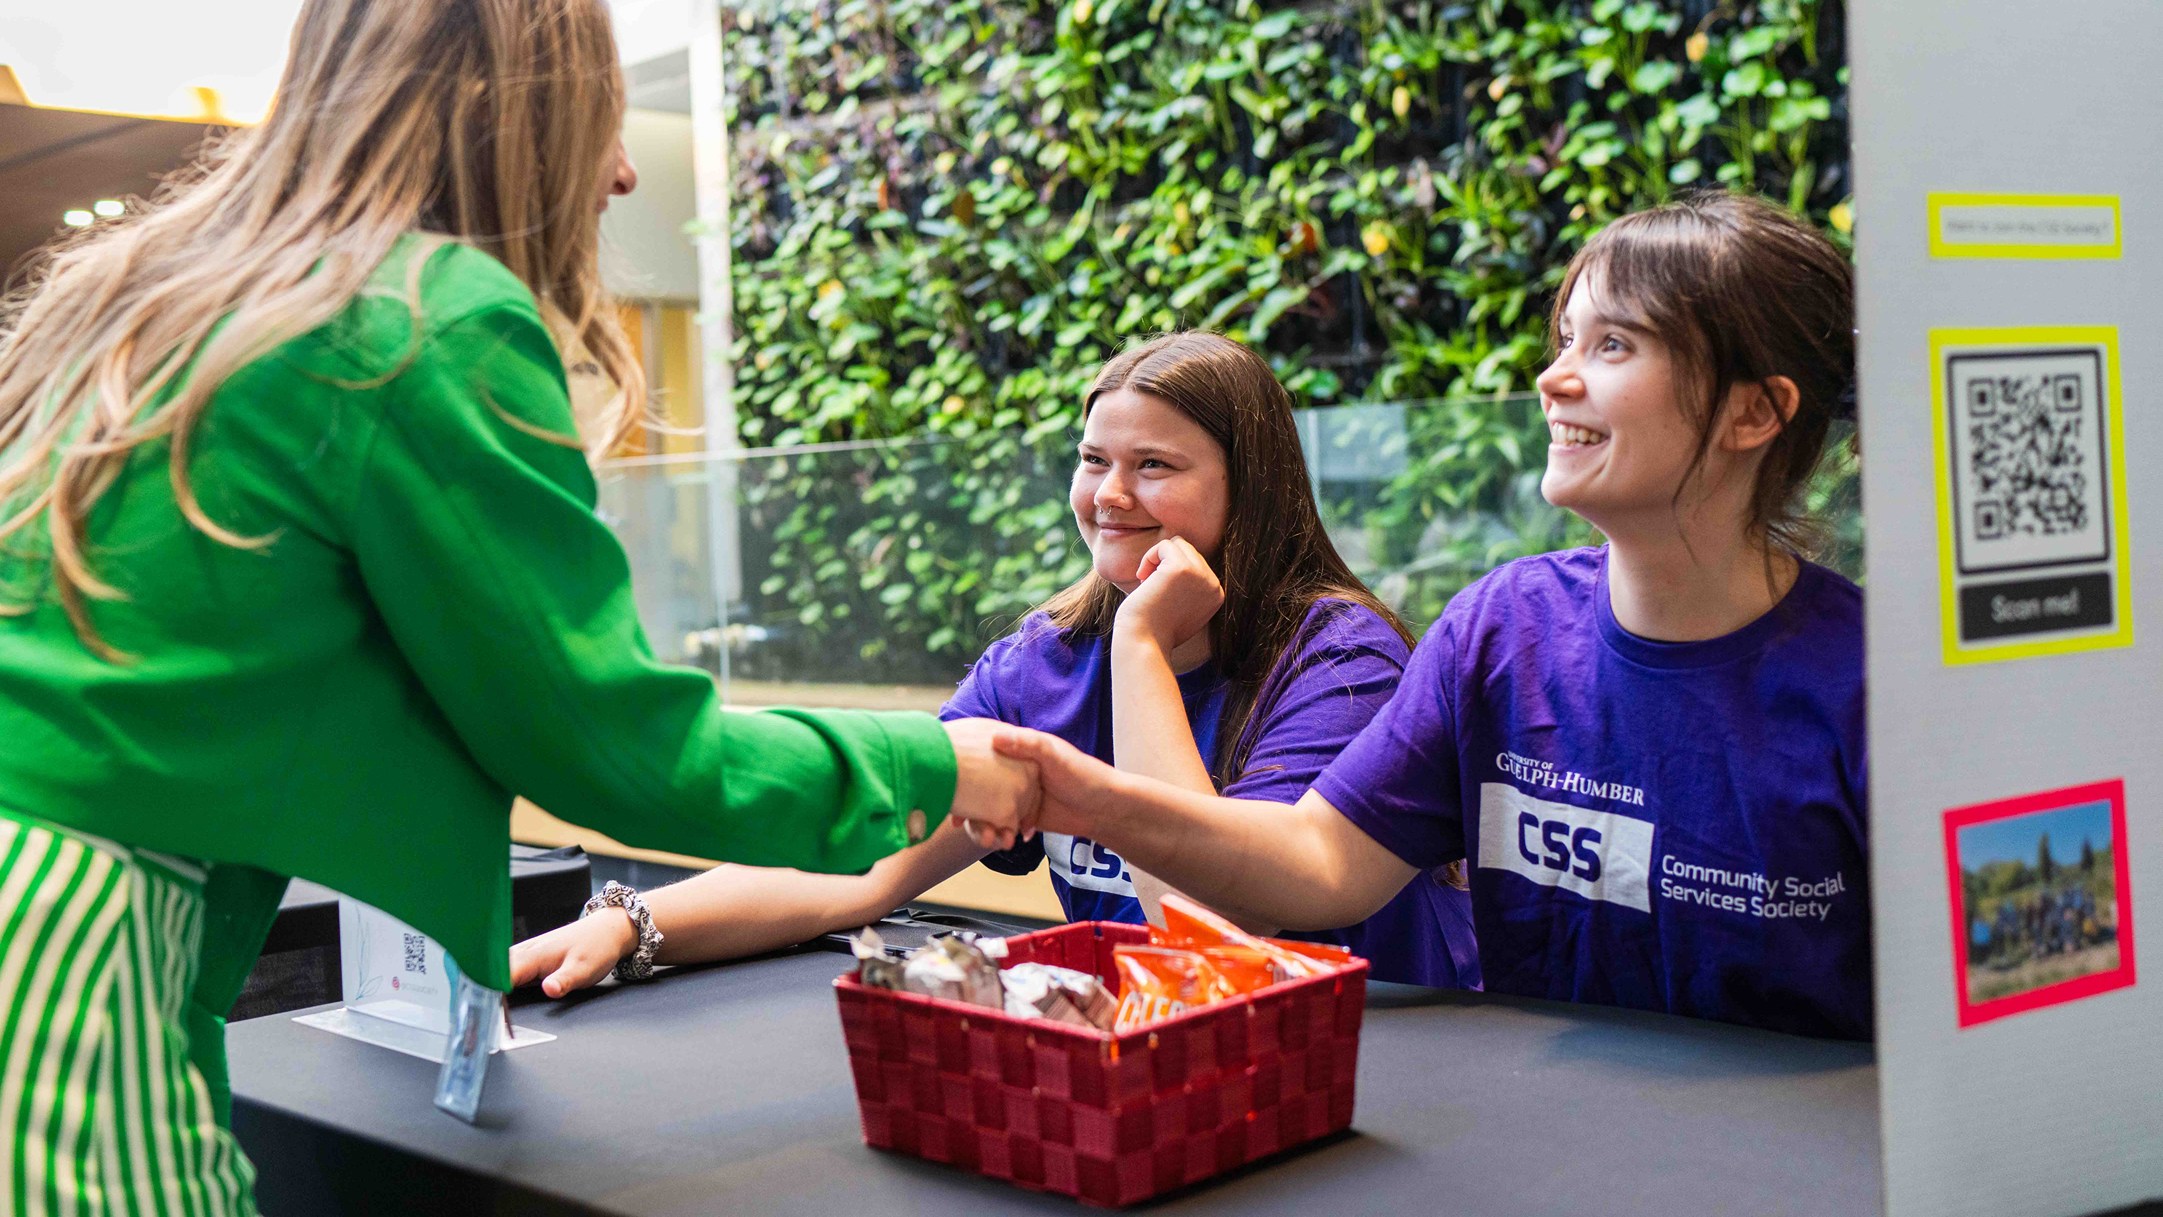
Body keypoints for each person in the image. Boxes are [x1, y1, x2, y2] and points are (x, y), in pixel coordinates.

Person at [0, 2, 1033, 1211]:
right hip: (63, 950)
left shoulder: (154, 285)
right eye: (599, 111)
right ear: (516, 110)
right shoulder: (424, 315)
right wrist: (934, 758)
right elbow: (615, 747)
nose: (626, 167)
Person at [999, 192, 1872, 1039]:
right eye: (1566, 337)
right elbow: (1320, 861)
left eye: (1613, 344)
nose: (1552, 377)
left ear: (1754, 411)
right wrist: (1097, 799)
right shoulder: (1502, 627)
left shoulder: (1871, 683)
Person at [511, 333, 1480, 995]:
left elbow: (1208, 929)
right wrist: (634, 922)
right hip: (1171, 1069)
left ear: (1253, 491)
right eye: (1093, 458)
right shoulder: (1047, 660)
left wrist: (1140, 645)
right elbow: (866, 867)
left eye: (1155, 466)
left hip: (1367, 1077)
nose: (1109, 494)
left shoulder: (1341, 658)